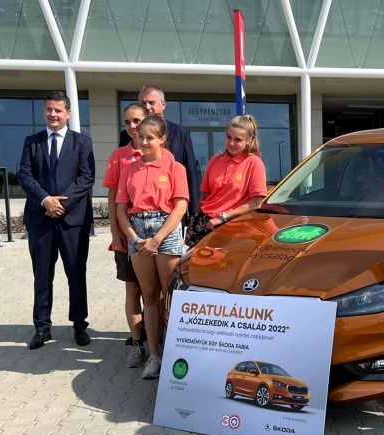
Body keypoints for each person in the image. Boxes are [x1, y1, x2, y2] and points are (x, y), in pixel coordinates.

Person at [18, 90, 95, 350]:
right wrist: (45, 200)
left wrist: (61, 204)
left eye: (58, 110)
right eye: (49, 109)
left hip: (72, 221)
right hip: (40, 219)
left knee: (76, 274)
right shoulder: (32, 141)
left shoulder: (82, 142)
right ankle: (42, 328)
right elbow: (25, 176)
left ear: (68, 113)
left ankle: (79, 325)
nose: (53, 114)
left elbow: (86, 178)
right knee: (41, 276)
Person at [116, 115, 189, 380]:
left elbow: (181, 205)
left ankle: (175, 351)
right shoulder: (129, 167)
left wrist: (157, 239)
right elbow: (121, 208)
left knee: (170, 296)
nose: (144, 142)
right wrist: (135, 239)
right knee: (148, 295)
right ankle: (155, 356)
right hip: (137, 232)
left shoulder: (175, 167)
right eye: (140, 137)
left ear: (162, 139)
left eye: (150, 137)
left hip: (165, 231)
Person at [103, 103, 150, 367]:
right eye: (128, 122)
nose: (132, 127)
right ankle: (137, 343)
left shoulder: (162, 154)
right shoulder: (119, 156)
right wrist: (115, 232)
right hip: (126, 234)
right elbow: (112, 197)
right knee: (132, 290)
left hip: (154, 238)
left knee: (156, 293)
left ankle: (157, 340)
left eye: (137, 121)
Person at [185, 115, 267, 247]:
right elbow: (205, 193)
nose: (231, 143)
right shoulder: (216, 159)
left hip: (232, 226)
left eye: (237, 139)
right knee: (193, 260)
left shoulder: (254, 163)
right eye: (229, 137)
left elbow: (256, 203)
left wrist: (222, 217)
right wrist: (195, 217)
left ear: (249, 140)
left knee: (223, 261)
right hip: (203, 222)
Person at [119, 85, 199, 215]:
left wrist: (194, 213)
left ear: (163, 105)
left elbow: (190, 172)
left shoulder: (180, 133)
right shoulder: (127, 135)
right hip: (136, 213)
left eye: (152, 102)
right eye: (143, 103)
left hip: (173, 211)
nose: (147, 107)